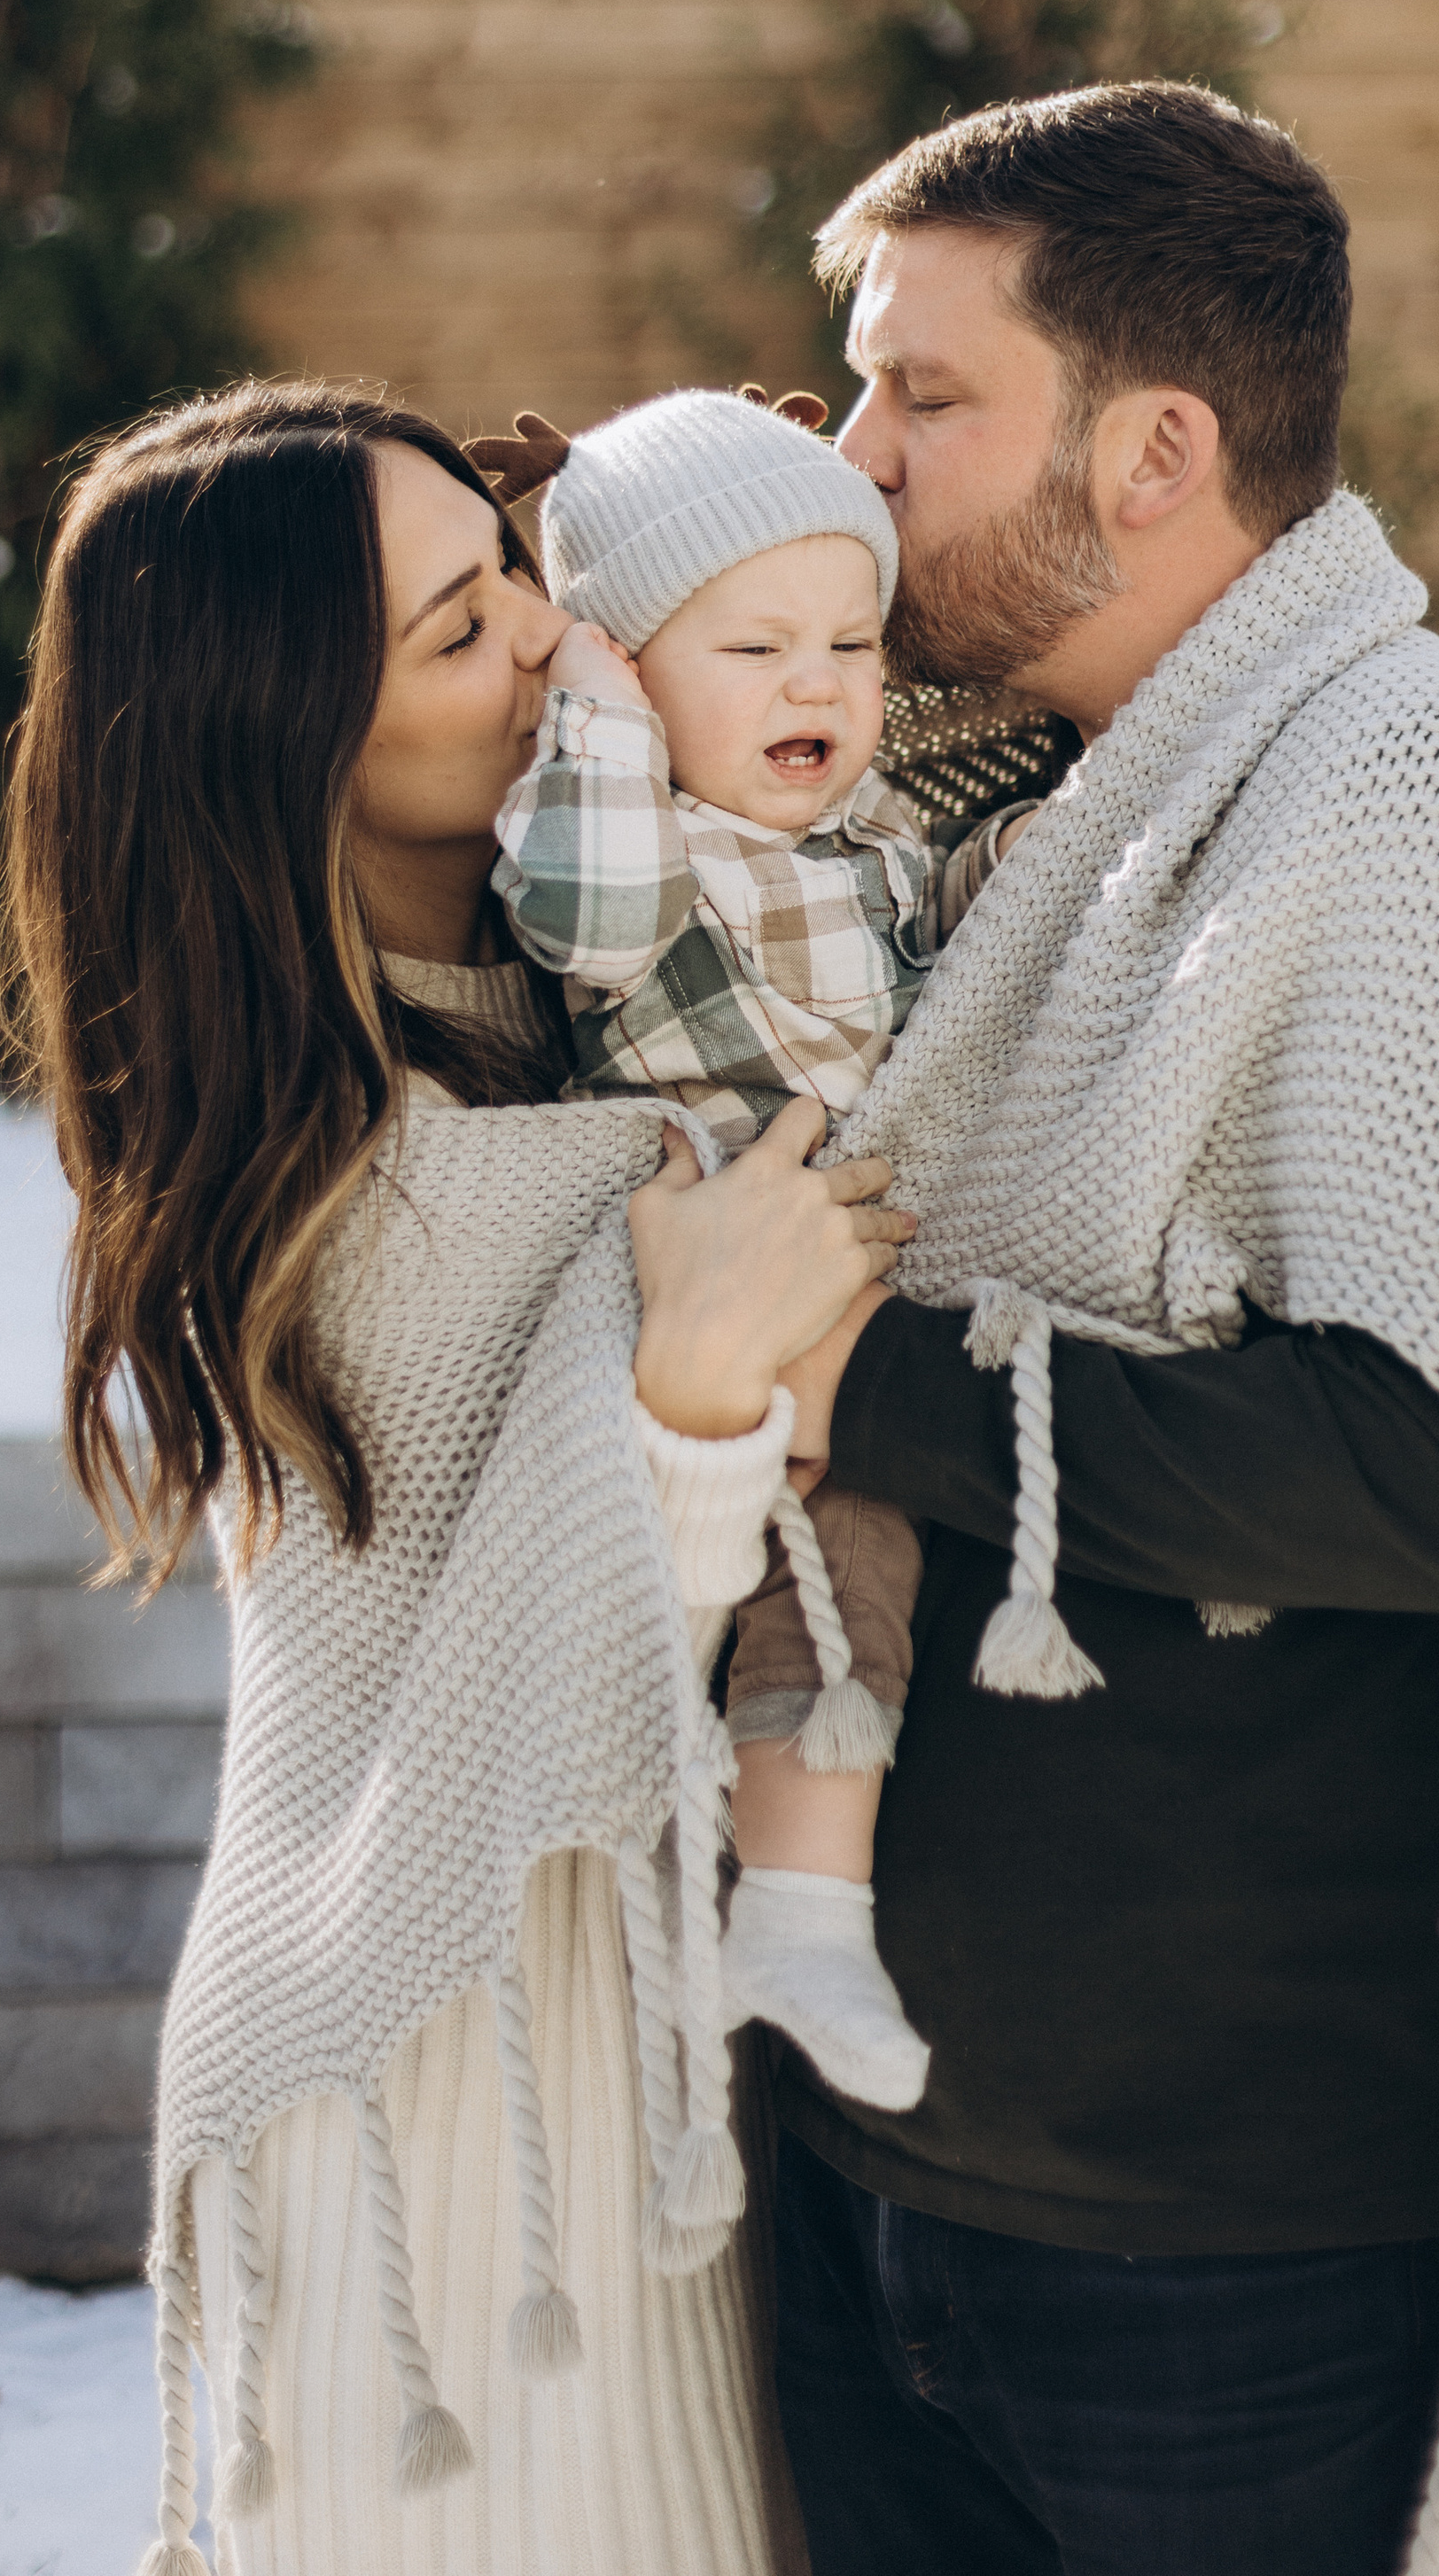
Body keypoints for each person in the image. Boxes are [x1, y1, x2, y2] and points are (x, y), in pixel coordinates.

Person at [751, 83, 1439, 2576]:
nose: (854, 459)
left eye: (920, 398)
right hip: (855, 2166)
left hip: (1229, 2247)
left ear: (1157, 449)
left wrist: (841, 1369)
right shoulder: (954, 816)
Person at [0, 378, 914, 2576]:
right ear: (292, 736)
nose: (546, 637)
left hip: (648, 2052)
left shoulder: (600, 978)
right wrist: (689, 1391)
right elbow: (498, 1663)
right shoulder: (321, 1178)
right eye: (458, 631)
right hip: (443, 2100)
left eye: (511, 565)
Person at [484, 383, 1027, 2118]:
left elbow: (925, 980)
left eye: (851, 645)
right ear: (631, 669)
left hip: (861, 1289)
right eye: (755, 648)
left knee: (870, 1579)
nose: (818, 685)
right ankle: (798, 1908)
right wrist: (593, 720)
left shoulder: (859, 837)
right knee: (833, 1587)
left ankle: (803, 1909)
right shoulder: (634, 847)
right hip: (727, 1286)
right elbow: (580, 922)